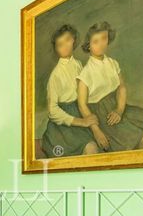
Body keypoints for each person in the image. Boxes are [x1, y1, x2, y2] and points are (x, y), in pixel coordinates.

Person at [75, 21, 143, 152]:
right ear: (88, 45)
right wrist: (96, 130)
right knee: (142, 139)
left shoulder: (112, 63)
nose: (101, 44)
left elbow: (121, 87)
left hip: (118, 107)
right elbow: (82, 105)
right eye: (96, 41)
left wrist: (119, 110)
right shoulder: (85, 73)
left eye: (104, 38)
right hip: (102, 117)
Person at [41, 25, 100, 157]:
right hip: (64, 123)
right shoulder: (55, 75)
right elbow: (52, 110)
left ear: (73, 39)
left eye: (67, 40)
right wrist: (82, 122)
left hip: (81, 110)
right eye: (60, 44)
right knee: (90, 147)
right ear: (56, 49)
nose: (65, 46)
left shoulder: (78, 64)